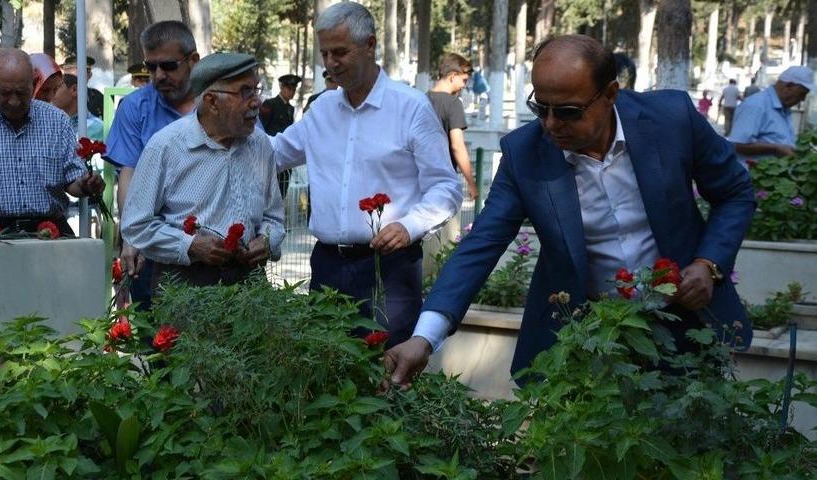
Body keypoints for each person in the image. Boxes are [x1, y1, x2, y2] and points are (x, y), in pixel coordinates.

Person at [385, 34, 756, 388]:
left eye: (567, 111)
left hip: (685, 319)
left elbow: (736, 191)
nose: (549, 124)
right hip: (588, 337)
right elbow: (479, 246)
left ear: (610, 94)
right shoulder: (525, 153)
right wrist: (424, 337)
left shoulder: (671, 119)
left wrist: (708, 263)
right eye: (539, 107)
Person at [270, 2, 462, 348]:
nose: (330, 64)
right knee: (326, 377)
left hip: (390, 269)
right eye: (325, 53)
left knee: (389, 376)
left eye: (340, 52)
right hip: (327, 267)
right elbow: (273, 155)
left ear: (370, 45)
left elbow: (446, 187)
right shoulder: (322, 111)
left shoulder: (411, 107)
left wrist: (409, 226)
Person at [121, 52, 284, 291]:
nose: (256, 102)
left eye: (256, 90)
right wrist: (190, 245)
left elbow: (274, 217)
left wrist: (267, 241)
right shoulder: (167, 146)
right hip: (185, 284)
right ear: (212, 102)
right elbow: (136, 226)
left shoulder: (260, 144)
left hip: (249, 284)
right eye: (245, 92)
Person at [0, 49, 104, 238]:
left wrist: (86, 184)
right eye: (4, 93)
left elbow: (72, 181)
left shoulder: (57, 121)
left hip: (49, 231)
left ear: (34, 84)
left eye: (22, 92)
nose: (14, 101)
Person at [106, 20, 200, 310]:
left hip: (215, 244)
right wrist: (131, 236)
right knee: (156, 343)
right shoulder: (135, 107)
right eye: (151, 67)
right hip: (155, 246)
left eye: (169, 66)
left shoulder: (219, 101)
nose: (159, 75)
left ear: (193, 61)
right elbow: (128, 174)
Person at [729, 65, 814, 163]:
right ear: (788, 86)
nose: (802, 99)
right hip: (749, 176)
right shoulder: (756, 105)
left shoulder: (784, 109)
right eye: (802, 94)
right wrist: (776, 148)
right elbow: (737, 144)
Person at [427, 53, 478, 200]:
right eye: (463, 80)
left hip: (419, 180)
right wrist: (471, 183)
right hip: (443, 184)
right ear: (453, 76)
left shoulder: (421, 100)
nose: (463, 86)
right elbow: (457, 145)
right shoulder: (453, 103)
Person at [260, 73, 302, 198]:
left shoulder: (290, 108)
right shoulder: (270, 104)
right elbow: (261, 128)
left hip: (284, 158)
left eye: (294, 89)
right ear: (282, 88)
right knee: (268, 195)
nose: (292, 92)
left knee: (281, 193)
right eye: (289, 89)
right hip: (270, 153)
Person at [50, 73, 105, 140]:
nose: (51, 94)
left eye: (56, 88)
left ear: (74, 90)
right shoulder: (50, 125)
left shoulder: (96, 127)